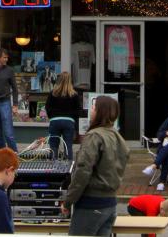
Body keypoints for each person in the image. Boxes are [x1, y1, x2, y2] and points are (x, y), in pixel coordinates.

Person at [61, 95, 129, 236]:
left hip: (91, 203)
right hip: (110, 203)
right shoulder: (118, 137)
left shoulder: (94, 136)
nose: (91, 111)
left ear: (100, 112)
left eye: (93, 107)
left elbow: (82, 171)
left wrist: (68, 201)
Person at [45, 71, 82, 162]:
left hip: (55, 121)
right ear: (70, 81)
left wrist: (52, 117)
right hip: (69, 121)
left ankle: (53, 168)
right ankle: (68, 169)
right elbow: (78, 111)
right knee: (68, 145)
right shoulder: (74, 95)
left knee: (53, 145)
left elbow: (47, 107)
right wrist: (75, 125)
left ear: (59, 80)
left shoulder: (53, 93)